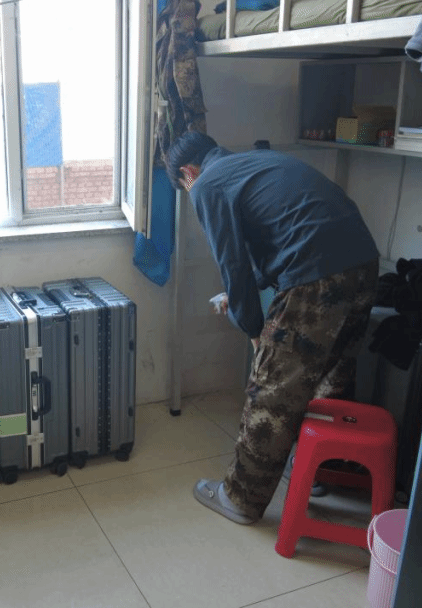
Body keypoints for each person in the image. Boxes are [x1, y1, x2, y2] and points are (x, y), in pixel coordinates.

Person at [167, 131, 379, 525]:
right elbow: (274, 245)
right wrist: (242, 296)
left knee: (271, 390)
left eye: (183, 186)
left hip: (315, 275)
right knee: (332, 377)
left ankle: (240, 499)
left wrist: (253, 331)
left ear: (187, 172)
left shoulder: (206, 184)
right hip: (363, 263)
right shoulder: (255, 162)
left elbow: (233, 265)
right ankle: (316, 470)